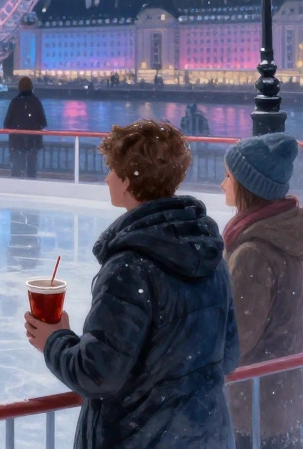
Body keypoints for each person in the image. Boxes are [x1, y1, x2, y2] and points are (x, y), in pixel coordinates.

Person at [25, 119, 238, 449]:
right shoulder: (208, 255)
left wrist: (54, 340)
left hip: (141, 439)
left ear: (128, 181)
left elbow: (98, 373)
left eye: (112, 170)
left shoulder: (129, 267)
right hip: (205, 434)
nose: (107, 178)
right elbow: (227, 355)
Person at [220, 133, 303, 449]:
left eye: (228, 176)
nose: (222, 184)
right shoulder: (291, 235)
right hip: (288, 400)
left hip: (254, 409)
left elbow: (235, 341)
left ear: (247, 187)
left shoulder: (253, 254)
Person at [4, 77, 47, 178]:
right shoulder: (36, 102)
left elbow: (6, 123)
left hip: (16, 140)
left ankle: (16, 181)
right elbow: (43, 122)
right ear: (31, 87)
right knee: (32, 162)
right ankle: (31, 181)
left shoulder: (14, 102)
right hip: (34, 141)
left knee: (17, 163)